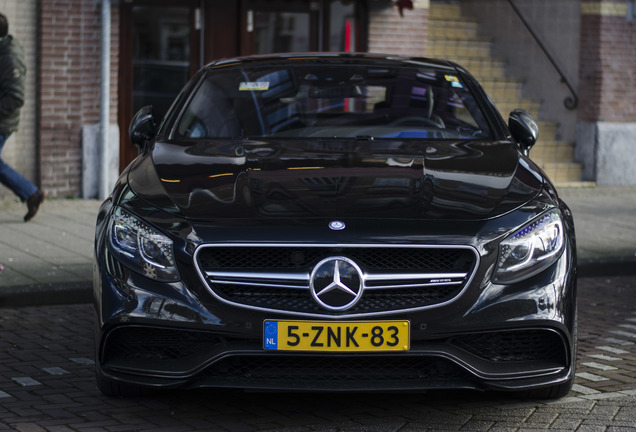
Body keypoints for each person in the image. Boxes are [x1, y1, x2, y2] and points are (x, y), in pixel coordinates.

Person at [0, 12, 44, 222]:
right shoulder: (2, 51)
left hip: (2, 122)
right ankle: (31, 193)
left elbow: (16, 97)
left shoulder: (9, 56)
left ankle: (31, 193)